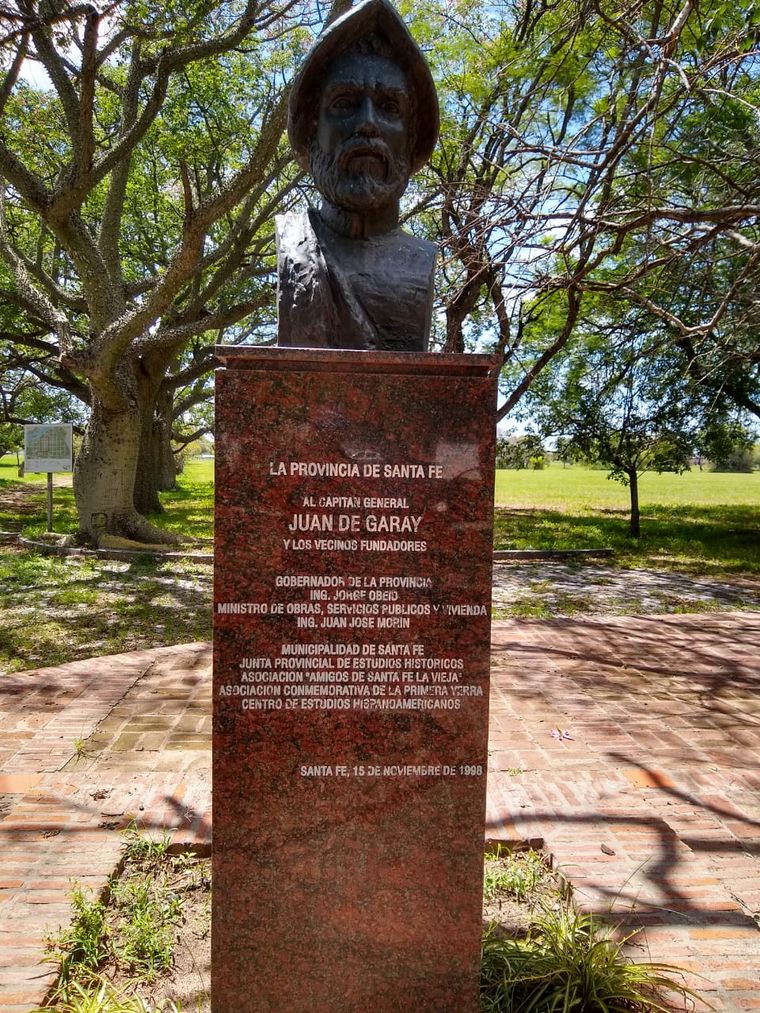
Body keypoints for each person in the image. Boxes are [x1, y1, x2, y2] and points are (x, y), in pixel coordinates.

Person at [276, 0, 439, 351]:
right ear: (312, 127)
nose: (367, 123)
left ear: (411, 139)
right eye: (346, 103)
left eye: (389, 108)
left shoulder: (422, 260)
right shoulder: (294, 243)